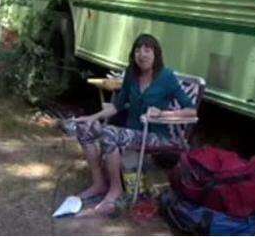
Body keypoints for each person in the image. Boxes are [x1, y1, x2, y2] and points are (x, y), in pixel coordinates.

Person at [71, 33, 197, 216]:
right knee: (85, 128)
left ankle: (116, 190)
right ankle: (99, 184)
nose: (142, 54)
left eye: (147, 50)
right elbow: (117, 105)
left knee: (110, 134)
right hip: (132, 132)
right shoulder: (131, 74)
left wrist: (163, 113)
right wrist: (92, 117)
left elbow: (191, 110)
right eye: (138, 50)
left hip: (156, 136)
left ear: (156, 54)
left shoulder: (166, 77)